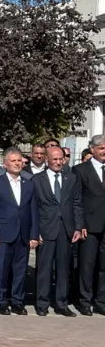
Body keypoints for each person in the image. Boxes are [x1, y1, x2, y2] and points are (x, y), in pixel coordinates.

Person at [0, 148, 39, 316]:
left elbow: (33, 212)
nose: (17, 163)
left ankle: (17, 301)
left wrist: (33, 235)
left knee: (20, 270)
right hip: (3, 233)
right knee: (2, 269)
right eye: (13, 161)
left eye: (19, 161)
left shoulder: (29, 183)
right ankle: (1, 301)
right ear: (5, 164)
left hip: (23, 234)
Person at [33, 146, 82, 317]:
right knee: (44, 268)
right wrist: (35, 231)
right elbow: (34, 207)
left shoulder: (72, 178)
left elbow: (77, 203)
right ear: (47, 159)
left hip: (66, 229)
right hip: (45, 229)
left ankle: (61, 303)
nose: (58, 162)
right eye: (54, 159)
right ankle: (42, 302)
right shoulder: (37, 180)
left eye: (61, 159)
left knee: (63, 268)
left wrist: (77, 227)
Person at [72, 135, 105, 316]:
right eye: (101, 147)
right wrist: (80, 223)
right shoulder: (80, 170)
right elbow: (77, 200)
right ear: (92, 149)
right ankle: (84, 300)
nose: (104, 151)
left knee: (104, 266)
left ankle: (101, 301)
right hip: (90, 225)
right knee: (87, 264)